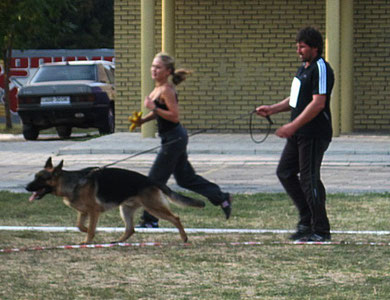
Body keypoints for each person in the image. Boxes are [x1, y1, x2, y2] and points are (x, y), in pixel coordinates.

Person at [135, 52, 232, 228]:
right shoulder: (158, 88)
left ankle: (150, 220)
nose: (154, 70)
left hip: (174, 138)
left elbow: (174, 116)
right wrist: (143, 120)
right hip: (171, 138)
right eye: (153, 66)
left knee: (154, 181)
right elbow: (159, 112)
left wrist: (154, 106)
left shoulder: (167, 90)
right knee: (185, 178)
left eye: (158, 67)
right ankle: (221, 197)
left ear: (168, 71)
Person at [256, 27, 334, 242]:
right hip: (299, 132)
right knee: (285, 172)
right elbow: (295, 100)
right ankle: (306, 220)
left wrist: (292, 126)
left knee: (309, 179)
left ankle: (320, 230)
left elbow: (318, 104)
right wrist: (271, 109)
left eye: (302, 46)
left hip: (314, 133)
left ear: (315, 48)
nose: (298, 50)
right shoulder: (303, 68)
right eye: (297, 46)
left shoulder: (321, 68)